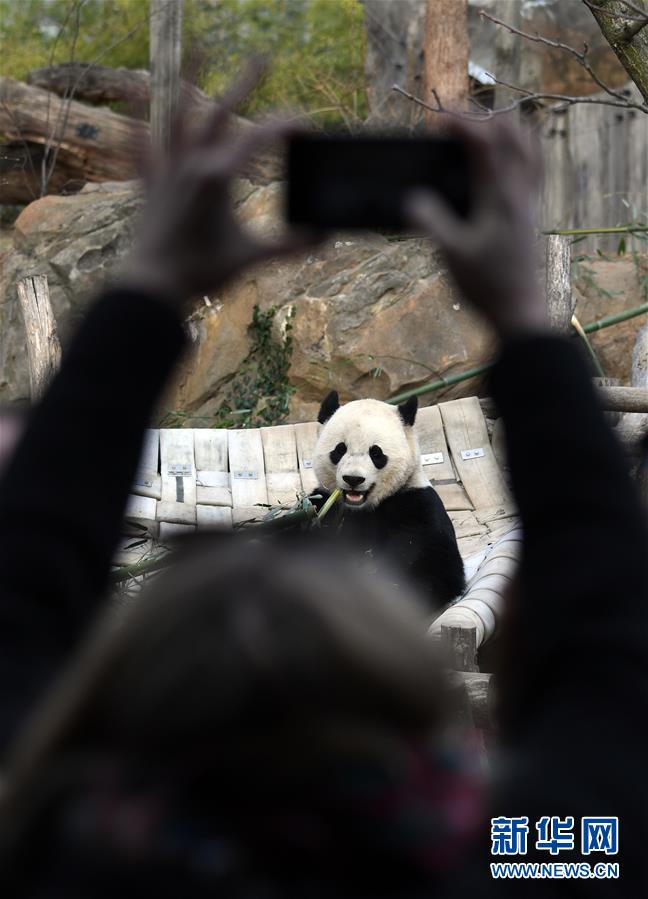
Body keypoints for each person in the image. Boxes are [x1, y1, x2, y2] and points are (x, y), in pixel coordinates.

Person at [0, 65, 646, 897]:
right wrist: (521, 319)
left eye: (367, 458)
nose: (350, 470)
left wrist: (148, 289)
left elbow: (17, 604)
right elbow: (608, 662)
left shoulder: (66, 851)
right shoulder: (519, 852)